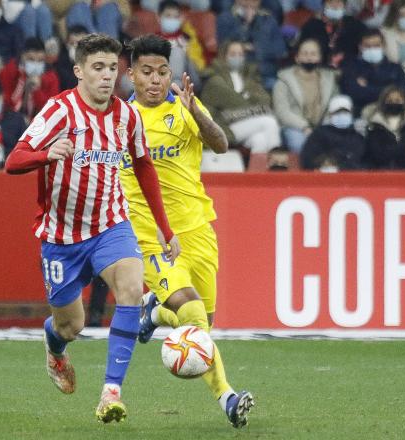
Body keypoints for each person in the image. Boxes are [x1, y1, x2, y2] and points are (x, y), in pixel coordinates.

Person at [4, 33, 181, 424]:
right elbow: (13, 161)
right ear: (79, 71)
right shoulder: (59, 112)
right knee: (71, 326)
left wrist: (165, 228)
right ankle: (54, 345)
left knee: (133, 288)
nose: (106, 76)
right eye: (97, 68)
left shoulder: (127, 115)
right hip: (61, 238)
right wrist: (45, 154)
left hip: (110, 225)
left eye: (112, 68)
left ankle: (111, 392)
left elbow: (144, 167)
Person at [121, 34, 255, 428]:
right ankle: (228, 397)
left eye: (162, 72)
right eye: (146, 72)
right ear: (131, 75)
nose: (155, 80)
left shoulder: (184, 109)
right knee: (193, 311)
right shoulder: (121, 119)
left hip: (198, 230)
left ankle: (156, 312)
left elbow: (221, 144)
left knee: (201, 325)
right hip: (151, 236)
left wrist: (196, 111)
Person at [201, 39, 280, 152]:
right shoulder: (214, 77)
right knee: (269, 121)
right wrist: (249, 100)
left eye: (240, 54)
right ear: (223, 56)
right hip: (224, 127)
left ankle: (255, 170)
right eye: (233, 54)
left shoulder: (249, 76)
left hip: (247, 122)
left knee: (260, 140)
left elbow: (265, 100)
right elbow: (235, 103)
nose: (237, 58)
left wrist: (248, 99)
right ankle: (276, 158)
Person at [273, 38, 340, 153]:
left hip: (322, 125)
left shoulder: (330, 80)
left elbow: (334, 106)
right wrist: (304, 127)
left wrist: (323, 129)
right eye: (305, 54)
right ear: (297, 58)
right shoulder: (283, 81)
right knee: (300, 145)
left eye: (313, 54)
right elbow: (282, 112)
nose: (309, 57)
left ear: (319, 58)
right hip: (295, 127)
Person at [216, 0, 287, 90]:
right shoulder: (225, 18)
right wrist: (246, 25)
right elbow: (224, 47)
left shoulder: (268, 20)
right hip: (239, 74)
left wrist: (256, 48)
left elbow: (280, 50)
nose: (250, 2)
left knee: (278, 87)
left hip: (266, 74)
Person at [340, 28, 405, 116]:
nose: (372, 49)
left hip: (392, 112)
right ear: (360, 47)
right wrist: (388, 88)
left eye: (376, 45)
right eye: (367, 46)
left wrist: (368, 86)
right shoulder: (350, 67)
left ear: (383, 46)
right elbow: (354, 93)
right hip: (360, 113)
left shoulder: (395, 68)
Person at [361, 85, 405, 169]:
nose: (394, 103)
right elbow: (377, 154)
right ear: (383, 102)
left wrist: (391, 151)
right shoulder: (374, 126)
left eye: (397, 100)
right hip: (382, 173)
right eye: (390, 100)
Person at [0, 38, 60, 120]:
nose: (35, 64)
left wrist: (36, 90)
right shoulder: (10, 70)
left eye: (40, 60)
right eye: (31, 59)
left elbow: (51, 108)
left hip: (40, 121)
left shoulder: (51, 76)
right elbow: (5, 101)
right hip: (11, 118)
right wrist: (23, 79)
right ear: (23, 56)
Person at [300, 95, 366, 170]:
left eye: (345, 112)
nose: (342, 115)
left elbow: (364, 162)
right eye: (338, 112)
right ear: (330, 114)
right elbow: (308, 159)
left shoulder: (357, 137)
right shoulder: (319, 135)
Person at [299, 0, 368, 68]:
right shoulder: (311, 25)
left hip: (348, 71)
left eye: (338, 2)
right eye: (330, 2)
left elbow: (366, 46)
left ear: (345, 5)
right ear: (324, 5)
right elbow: (301, 50)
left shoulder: (355, 25)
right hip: (318, 69)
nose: (334, 6)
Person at [156, 0, 203, 89]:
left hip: (189, 78)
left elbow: (198, 65)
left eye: (176, 17)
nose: (172, 19)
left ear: (181, 19)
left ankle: (174, 89)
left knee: (177, 51)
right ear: (158, 17)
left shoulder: (188, 38)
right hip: (161, 77)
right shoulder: (153, 40)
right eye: (168, 16)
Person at [55, 25, 90, 91]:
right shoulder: (61, 60)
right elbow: (68, 82)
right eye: (72, 44)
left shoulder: (94, 59)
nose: (76, 47)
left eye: (80, 44)